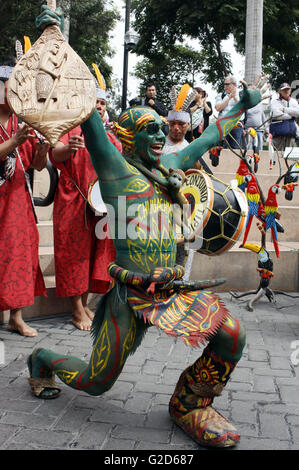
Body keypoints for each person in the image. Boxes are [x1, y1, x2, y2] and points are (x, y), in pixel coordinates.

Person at [28, 5, 265, 449]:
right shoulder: (116, 172)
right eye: (150, 129)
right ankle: (42, 358)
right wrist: (54, 36)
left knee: (233, 334)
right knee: (97, 382)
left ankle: (190, 403)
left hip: (169, 291)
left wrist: (240, 106)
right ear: (129, 137)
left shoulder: (172, 164)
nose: (161, 134)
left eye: (163, 128)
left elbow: (212, 137)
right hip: (129, 297)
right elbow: (86, 111)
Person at [50, 77, 121, 331]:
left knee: (96, 254)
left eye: (102, 103)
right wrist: (69, 147)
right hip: (73, 198)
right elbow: (54, 153)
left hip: (100, 203)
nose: (99, 106)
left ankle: (84, 303)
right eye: (95, 102)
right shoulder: (70, 127)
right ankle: (76, 310)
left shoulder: (110, 138)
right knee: (73, 254)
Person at [0, 60, 49, 337]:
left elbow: (38, 166)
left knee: (20, 254)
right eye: (8, 88)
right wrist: (15, 142)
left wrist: (43, 148)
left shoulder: (23, 121)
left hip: (18, 198)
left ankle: (15, 317)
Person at [215, 75, 243, 149]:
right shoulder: (221, 95)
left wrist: (235, 97)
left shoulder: (241, 94)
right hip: (223, 124)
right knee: (222, 146)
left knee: (235, 147)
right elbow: (218, 108)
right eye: (224, 84)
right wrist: (229, 97)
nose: (225, 86)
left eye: (227, 84)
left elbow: (242, 108)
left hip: (236, 124)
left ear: (234, 85)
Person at [270, 82, 299, 151]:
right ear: (280, 91)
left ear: (290, 90)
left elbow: (297, 113)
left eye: (288, 89)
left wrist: (284, 109)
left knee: (289, 156)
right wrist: (291, 115)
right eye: (284, 89)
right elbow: (275, 115)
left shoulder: (294, 101)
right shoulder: (275, 101)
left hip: (291, 132)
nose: (286, 91)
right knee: (277, 154)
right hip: (278, 133)